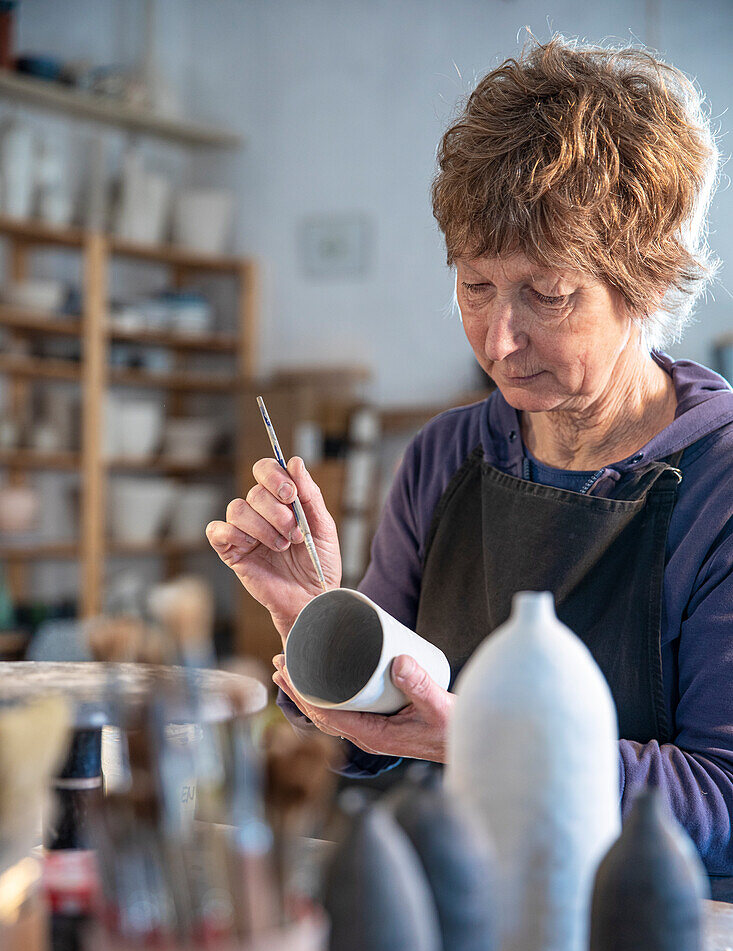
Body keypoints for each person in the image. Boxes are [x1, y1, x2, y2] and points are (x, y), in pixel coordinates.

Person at [207, 36, 733, 888]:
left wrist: (489, 742)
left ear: (646, 281)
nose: (498, 339)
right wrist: (319, 629)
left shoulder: (717, 484)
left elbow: (722, 804)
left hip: (651, 937)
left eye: (547, 295)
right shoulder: (446, 457)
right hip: (449, 904)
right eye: (474, 286)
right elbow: (352, 757)